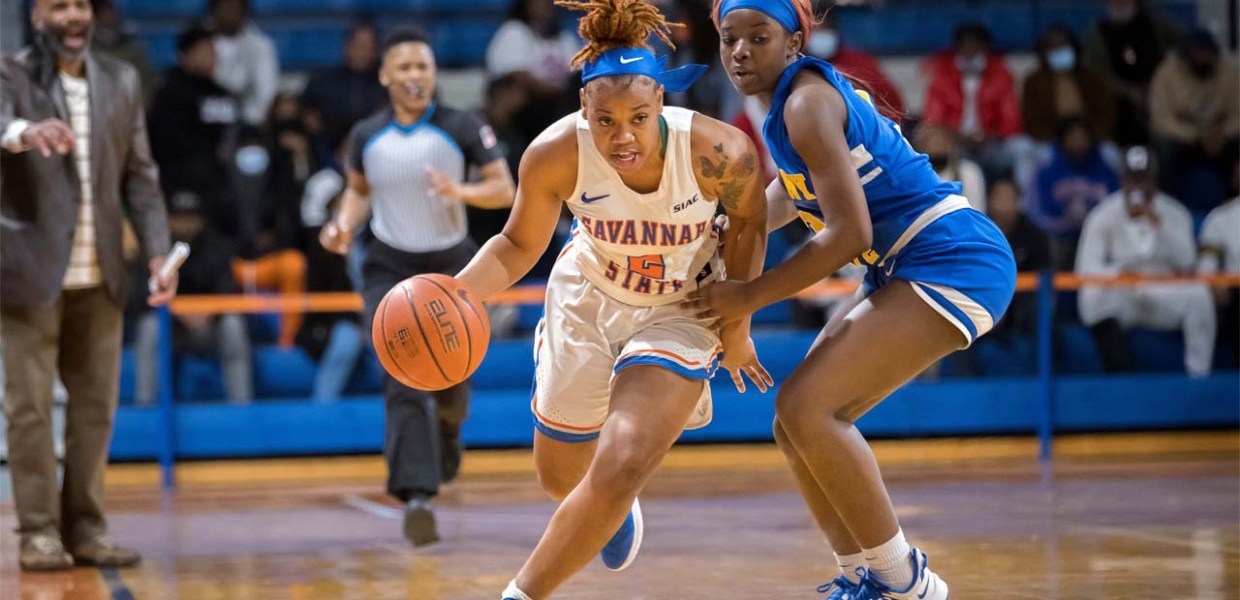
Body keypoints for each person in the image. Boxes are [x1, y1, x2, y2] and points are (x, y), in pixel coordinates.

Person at [456, 1, 770, 597]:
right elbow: (517, 245)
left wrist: (738, 325)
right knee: (559, 479)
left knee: (623, 457)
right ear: (583, 109)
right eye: (605, 121)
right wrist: (455, 294)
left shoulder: (717, 151)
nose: (622, 137)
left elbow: (751, 222)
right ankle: (613, 506)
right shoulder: (554, 153)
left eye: (638, 118)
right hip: (590, 295)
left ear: (662, 104)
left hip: (684, 302)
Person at [708, 2, 1017, 598]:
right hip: (906, 264)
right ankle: (863, 578)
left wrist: (748, 295)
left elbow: (850, 235)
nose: (740, 51)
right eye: (729, 39)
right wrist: (716, 230)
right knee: (793, 423)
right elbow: (790, 195)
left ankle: (907, 583)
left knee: (807, 408)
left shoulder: (805, 104)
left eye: (758, 37)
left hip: (952, 258)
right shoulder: (794, 103)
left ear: (794, 42)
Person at [319, 28, 516, 546]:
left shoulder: (462, 125)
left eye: (422, 67)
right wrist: (342, 223)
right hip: (388, 267)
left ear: (434, 74)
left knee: (452, 381)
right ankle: (416, 495)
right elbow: (357, 193)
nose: (414, 76)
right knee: (402, 378)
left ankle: (449, 430)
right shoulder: (366, 135)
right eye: (403, 67)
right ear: (385, 76)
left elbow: (505, 189)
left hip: (452, 265)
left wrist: (461, 190)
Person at [1, 0, 177, 571]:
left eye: (80, 4)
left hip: (102, 273)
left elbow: (142, 178)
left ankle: (87, 529)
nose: (73, 16)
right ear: (35, 17)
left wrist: (156, 253)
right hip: (27, 273)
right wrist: (26, 132)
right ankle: (38, 532)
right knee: (28, 410)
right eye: (58, 6)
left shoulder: (121, 79)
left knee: (95, 410)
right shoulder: (10, 73)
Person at [1076, 146, 1214, 376]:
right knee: (1091, 296)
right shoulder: (1103, 214)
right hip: (1124, 292)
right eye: (1132, 179)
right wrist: (1118, 274)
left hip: (1163, 289)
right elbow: (1085, 267)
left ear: (1154, 181)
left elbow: (1188, 262)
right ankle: (1119, 371)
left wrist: (1160, 224)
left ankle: (1199, 376)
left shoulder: (1173, 212)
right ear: (1123, 180)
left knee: (1199, 295)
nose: (1137, 187)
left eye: (1143, 179)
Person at [1149, 30, 1239, 204]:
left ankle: (1235, 208)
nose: (1202, 58)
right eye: (1198, 54)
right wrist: (1197, 136)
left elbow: (1238, 113)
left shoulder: (1229, 71)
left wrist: (1222, 133)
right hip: (1184, 138)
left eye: (1206, 54)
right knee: (1166, 149)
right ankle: (1168, 206)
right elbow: (1161, 120)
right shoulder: (1166, 73)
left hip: (1220, 136)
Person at [1082, 0, 1179, 147]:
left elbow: (1182, 50)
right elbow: (1096, 75)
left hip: (1160, 93)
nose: (1120, 5)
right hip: (1119, 101)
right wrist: (1128, 92)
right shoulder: (1098, 33)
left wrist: (1155, 89)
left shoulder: (1156, 26)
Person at [1028, 117, 1120, 269]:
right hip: (1061, 236)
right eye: (1073, 137)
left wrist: (1093, 223)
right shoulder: (1047, 172)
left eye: (1083, 137)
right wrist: (1063, 223)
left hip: (1100, 233)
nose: (1078, 143)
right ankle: (1054, 292)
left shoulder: (1107, 171)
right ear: (1063, 140)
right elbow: (1038, 214)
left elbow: (1117, 207)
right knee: (1052, 246)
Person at [486, 0, 581, 141]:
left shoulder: (564, 38)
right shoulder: (514, 31)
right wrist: (555, 89)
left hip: (563, 102)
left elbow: (579, 72)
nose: (545, 6)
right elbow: (517, 75)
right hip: (531, 107)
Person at [301, 22, 388, 161]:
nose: (362, 52)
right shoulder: (323, 80)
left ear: (376, 50)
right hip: (325, 155)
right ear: (347, 46)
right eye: (358, 45)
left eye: (367, 47)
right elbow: (305, 111)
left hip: (376, 154)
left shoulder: (387, 83)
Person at [1022, 23, 1114, 146]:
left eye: (1064, 46)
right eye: (1054, 47)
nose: (1060, 51)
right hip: (1050, 142)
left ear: (1073, 48)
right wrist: (1058, 141)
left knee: (1110, 154)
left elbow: (1106, 114)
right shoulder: (1034, 82)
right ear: (1045, 52)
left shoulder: (1091, 78)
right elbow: (1032, 121)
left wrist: (1092, 137)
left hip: (1091, 139)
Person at [204, 0, 279, 126]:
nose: (230, 13)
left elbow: (267, 93)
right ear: (214, 10)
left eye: (235, 8)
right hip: (206, 121)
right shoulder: (200, 44)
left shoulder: (260, 46)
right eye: (225, 7)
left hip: (250, 123)